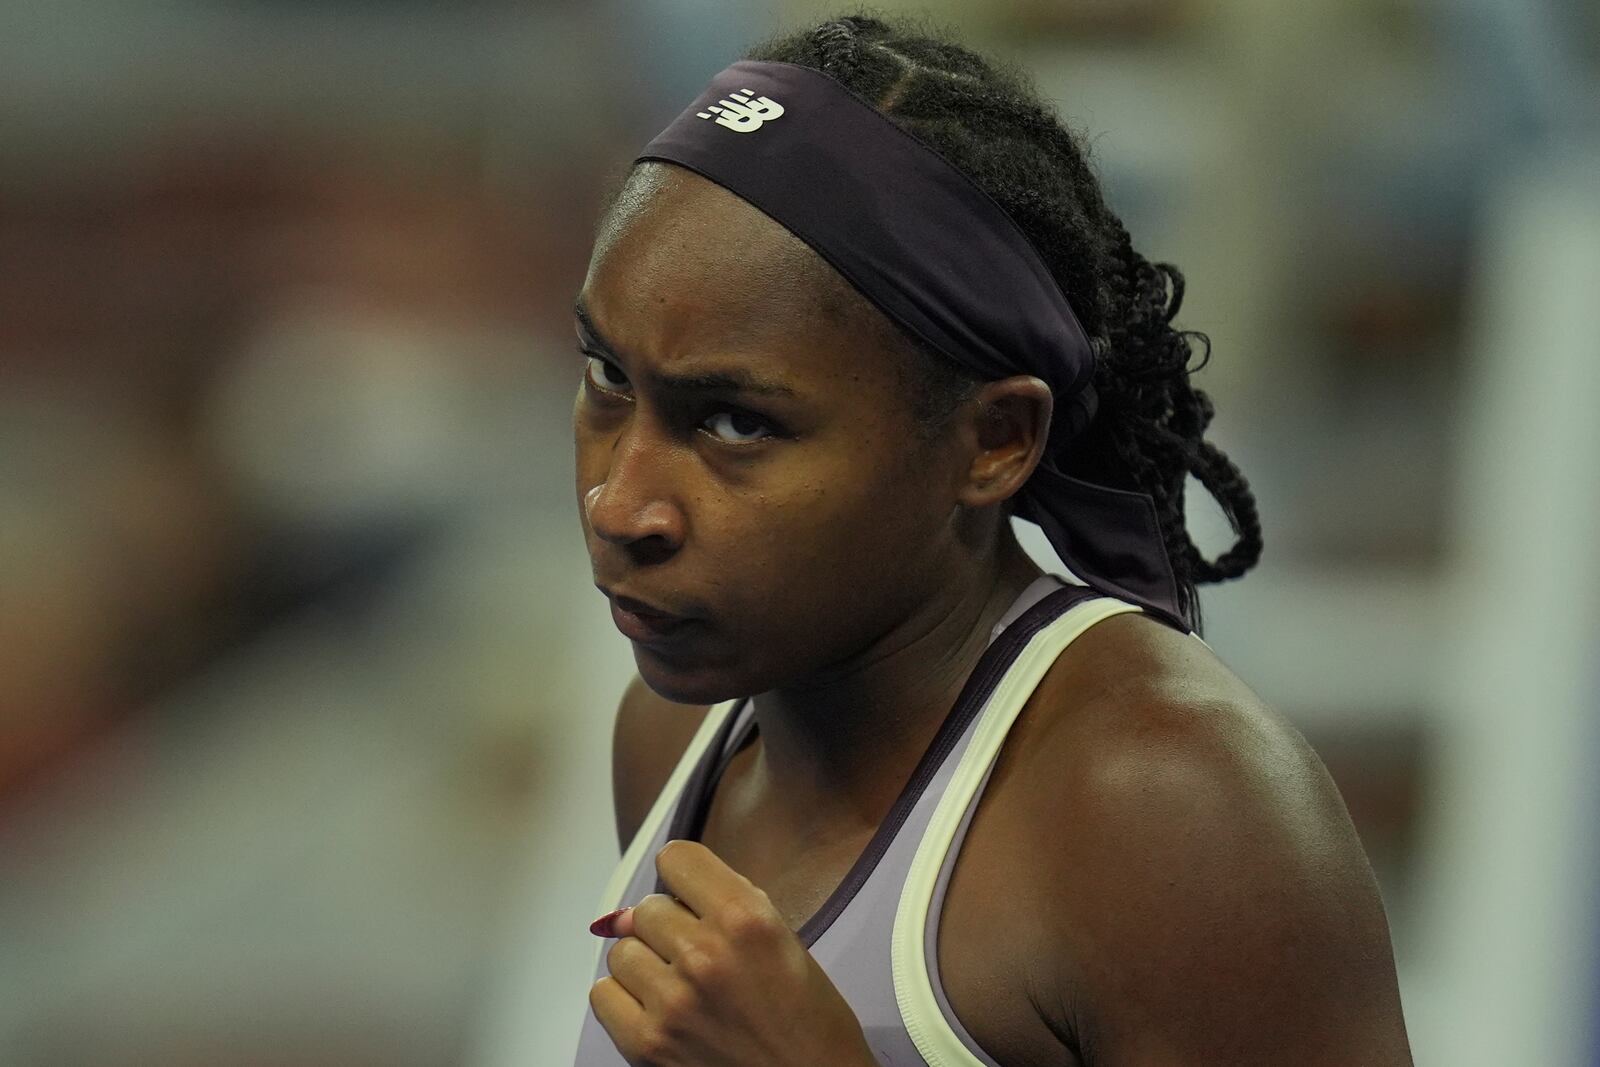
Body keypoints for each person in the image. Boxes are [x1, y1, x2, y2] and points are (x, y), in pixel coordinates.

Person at [568, 14, 1411, 1067]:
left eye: (736, 420)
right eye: (606, 375)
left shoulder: (1166, 803)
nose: (618, 499)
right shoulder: (667, 740)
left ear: (994, 441)